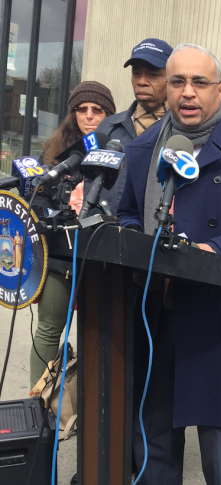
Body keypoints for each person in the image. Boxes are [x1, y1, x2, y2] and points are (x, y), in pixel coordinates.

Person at [116, 43, 221, 485]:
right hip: (154, 312)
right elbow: (127, 214)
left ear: (220, 89)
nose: (187, 92)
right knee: (153, 437)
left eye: (199, 82)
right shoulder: (142, 150)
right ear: (165, 87)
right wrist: (137, 237)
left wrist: (216, 251)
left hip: (219, 316)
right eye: (178, 81)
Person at [30, 81, 115, 388]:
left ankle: (90, 412)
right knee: (49, 329)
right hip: (59, 256)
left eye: (97, 110)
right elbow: (37, 201)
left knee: (99, 334)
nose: (89, 116)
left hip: (102, 256)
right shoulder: (54, 153)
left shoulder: (118, 150)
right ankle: (38, 404)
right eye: (82, 109)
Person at [95, 38, 172, 215]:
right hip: (102, 235)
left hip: (150, 238)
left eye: (153, 75)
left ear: (171, 79)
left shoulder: (179, 134)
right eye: (136, 73)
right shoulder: (108, 126)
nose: (142, 81)